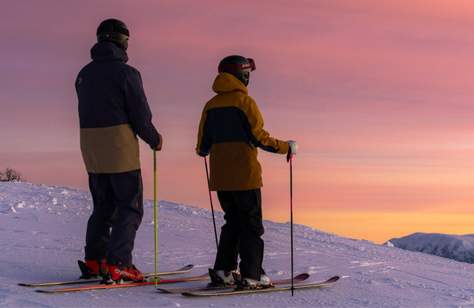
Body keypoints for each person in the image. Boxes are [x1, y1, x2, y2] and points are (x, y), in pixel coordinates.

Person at [196, 55, 297, 289]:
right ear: (242, 75)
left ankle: (223, 270)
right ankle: (252, 275)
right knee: (251, 225)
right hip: (245, 176)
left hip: (220, 178)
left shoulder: (210, 105)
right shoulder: (245, 103)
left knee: (232, 222)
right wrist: (286, 147)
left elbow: (202, 146)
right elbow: (259, 137)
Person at [75, 18, 162, 283]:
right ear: (119, 40)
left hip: (91, 147)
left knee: (103, 205)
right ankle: (119, 263)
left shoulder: (84, 74)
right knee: (129, 206)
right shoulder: (127, 73)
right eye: (127, 38)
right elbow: (139, 113)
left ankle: (95, 260)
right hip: (119, 146)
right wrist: (153, 138)